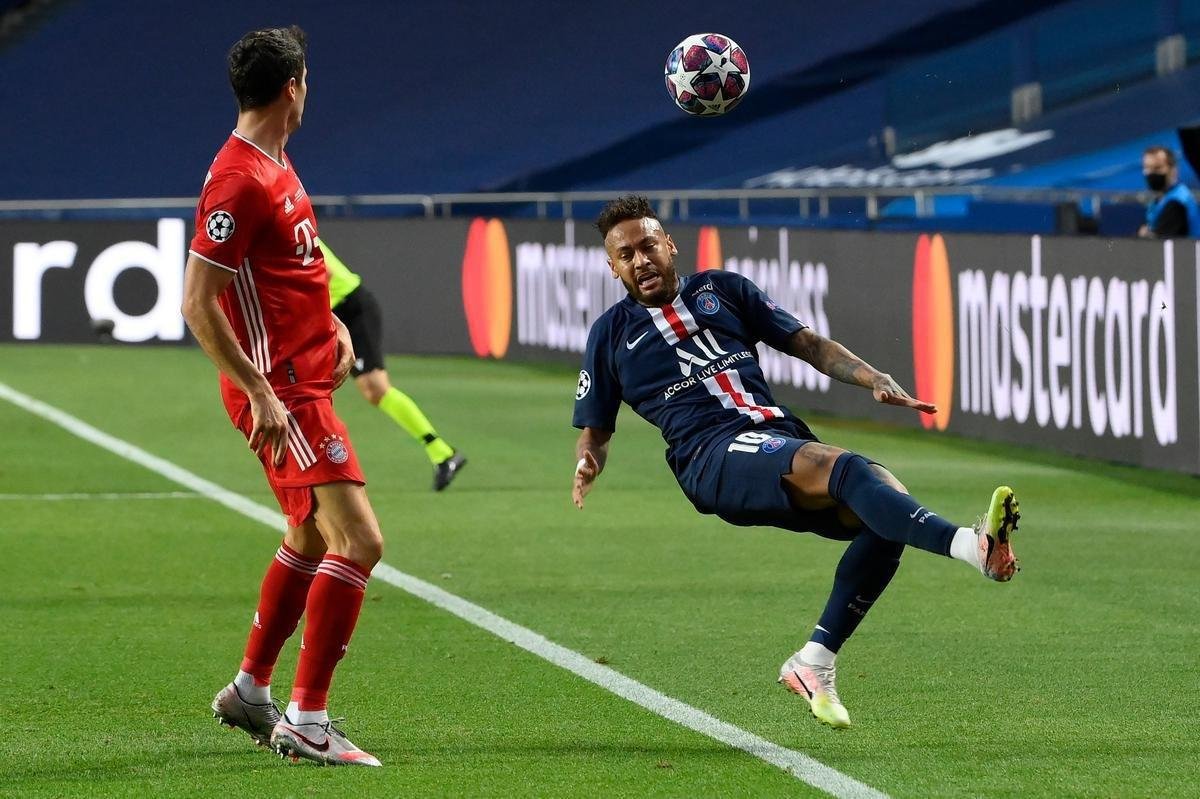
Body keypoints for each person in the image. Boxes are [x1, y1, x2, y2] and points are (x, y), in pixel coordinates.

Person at [571, 196, 1022, 729]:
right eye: (625, 255)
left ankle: (815, 661)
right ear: (613, 266)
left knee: (884, 508)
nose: (640, 260)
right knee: (845, 468)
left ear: (669, 245)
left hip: (776, 434)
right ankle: (976, 549)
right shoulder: (610, 335)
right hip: (709, 456)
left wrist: (872, 377)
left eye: (648, 246)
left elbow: (807, 344)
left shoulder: (722, 290)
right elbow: (595, 430)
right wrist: (589, 463)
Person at [182, 25, 382, 766]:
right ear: (294, 84)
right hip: (287, 396)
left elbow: (284, 270)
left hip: (304, 378)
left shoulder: (274, 161)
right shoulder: (238, 178)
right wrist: (261, 391)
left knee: (307, 535)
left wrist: (328, 319)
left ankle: (250, 689)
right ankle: (309, 719)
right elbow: (197, 301)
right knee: (359, 541)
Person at [321, 239, 467, 490]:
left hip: (349, 309)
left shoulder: (288, 228)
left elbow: (323, 275)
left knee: (375, 387)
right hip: (334, 312)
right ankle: (441, 452)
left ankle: (441, 452)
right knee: (368, 390)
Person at [1137, 145, 1200, 238]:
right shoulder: (1158, 200)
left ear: (1173, 170)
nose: (1151, 173)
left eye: (1157, 168)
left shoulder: (1177, 202)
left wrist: (1146, 235)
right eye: (1147, 168)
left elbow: (1158, 243)